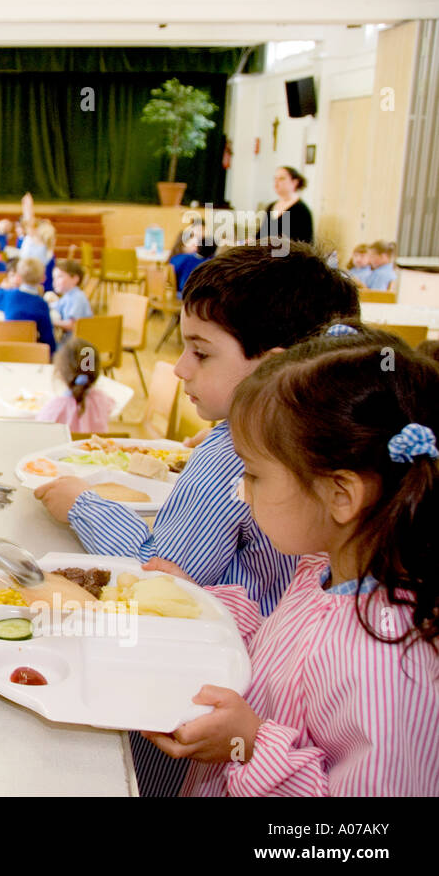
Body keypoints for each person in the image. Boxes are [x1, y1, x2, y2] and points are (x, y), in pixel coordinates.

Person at [34, 243, 360, 797]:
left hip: (203, 719)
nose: (181, 367)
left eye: (201, 353)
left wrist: (83, 504)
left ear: (278, 367)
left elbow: (158, 573)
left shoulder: (232, 445)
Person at [142, 328, 439, 795]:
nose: (243, 490)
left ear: (340, 495)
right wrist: (199, 606)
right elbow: (281, 653)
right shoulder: (321, 569)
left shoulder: (383, 664)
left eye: (255, 474)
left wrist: (251, 747)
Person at [37, 337, 115, 434]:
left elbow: (39, 430)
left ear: (59, 372)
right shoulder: (102, 400)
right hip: (93, 448)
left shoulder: (55, 408)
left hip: (65, 449)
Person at [0, 258, 56, 352]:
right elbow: (47, 337)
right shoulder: (42, 304)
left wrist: (2, 287)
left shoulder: (8, 295)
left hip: (4, 348)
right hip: (30, 351)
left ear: (19, 276)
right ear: (43, 278)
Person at [261, 165, 314, 250]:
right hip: (267, 255)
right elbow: (262, 234)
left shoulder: (302, 210)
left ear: (294, 182)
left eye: (281, 179)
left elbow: (306, 244)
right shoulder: (271, 206)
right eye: (275, 179)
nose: (276, 182)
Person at [50, 258, 93, 341]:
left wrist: (50, 321)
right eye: (54, 278)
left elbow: (71, 325)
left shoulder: (77, 297)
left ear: (75, 279)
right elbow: (55, 306)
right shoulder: (68, 295)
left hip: (76, 343)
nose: (55, 282)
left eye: (60, 277)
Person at [168, 222, 205, 298]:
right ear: (182, 245)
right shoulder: (186, 259)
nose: (196, 246)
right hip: (186, 294)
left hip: (183, 293)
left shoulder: (176, 258)